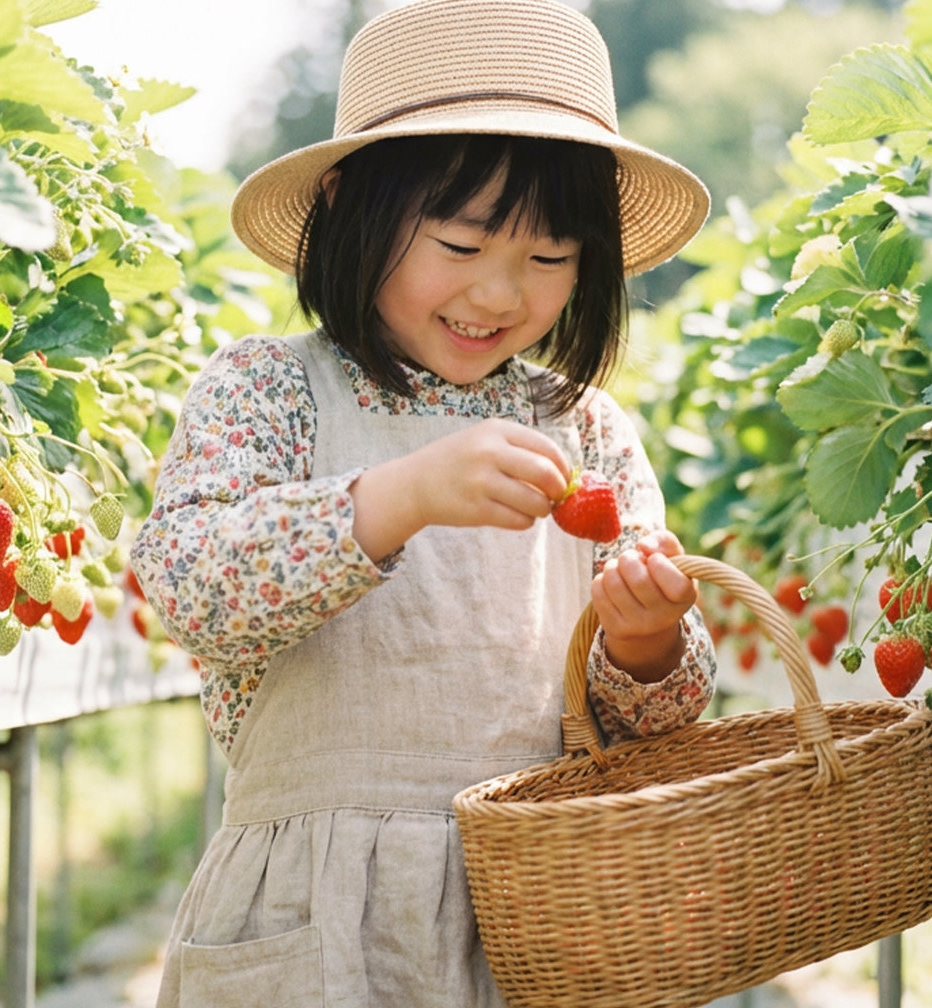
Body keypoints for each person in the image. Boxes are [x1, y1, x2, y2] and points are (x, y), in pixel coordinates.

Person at [130, 0, 718, 1003]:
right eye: (458, 245)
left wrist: (648, 639)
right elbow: (187, 584)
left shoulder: (586, 430)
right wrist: (397, 496)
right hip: (312, 917)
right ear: (355, 215)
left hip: (531, 908)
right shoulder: (268, 391)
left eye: (547, 259)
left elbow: (656, 726)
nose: (499, 294)